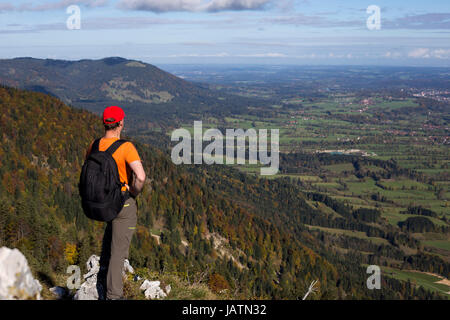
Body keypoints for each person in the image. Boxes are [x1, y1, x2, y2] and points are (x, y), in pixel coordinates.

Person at [85, 106, 146, 300]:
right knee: (118, 253)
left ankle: (101, 279)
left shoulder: (94, 145)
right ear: (120, 123)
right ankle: (114, 295)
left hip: (100, 202)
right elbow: (141, 177)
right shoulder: (125, 147)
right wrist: (133, 192)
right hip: (121, 204)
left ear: (104, 123)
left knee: (110, 242)